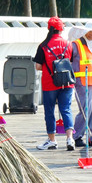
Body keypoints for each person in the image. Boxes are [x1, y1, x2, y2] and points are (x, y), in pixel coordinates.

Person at [33, 17, 75, 151]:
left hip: (50, 83)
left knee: (49, 111)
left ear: (48, 28)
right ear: (61, 29)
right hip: (67, 82)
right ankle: (70, 139)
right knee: (66, 109)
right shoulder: (68, 44)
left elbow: (38, 66)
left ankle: (52, 141)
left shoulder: (43, 45)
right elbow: (70, 61)